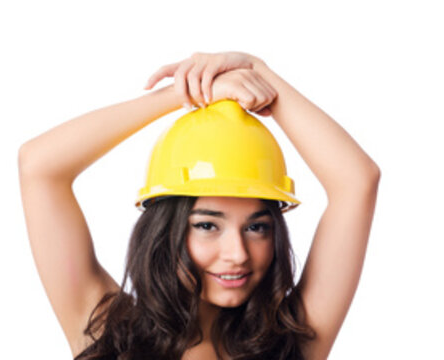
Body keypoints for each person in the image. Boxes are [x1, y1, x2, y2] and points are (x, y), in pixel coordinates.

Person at [19, 52, 380, 359]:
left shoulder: (291, 341)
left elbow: (357, 181)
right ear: (165, 231)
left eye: (257, 227)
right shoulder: (111, 334)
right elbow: (39, 165)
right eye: (208, 225)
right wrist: (184, 95)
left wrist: (256, 71)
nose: (237, 254)